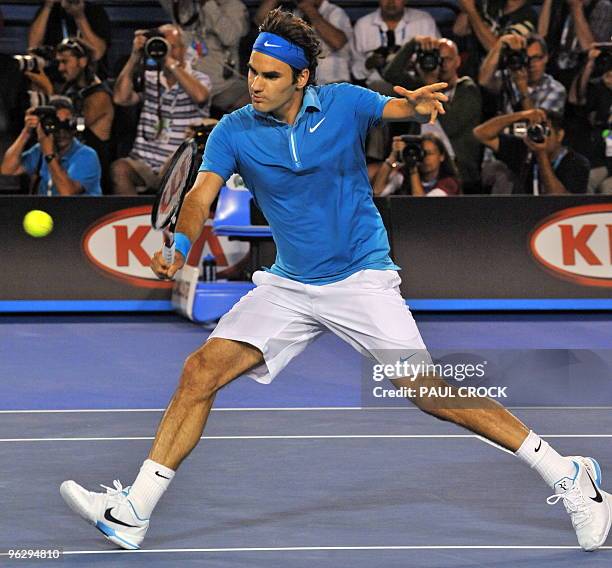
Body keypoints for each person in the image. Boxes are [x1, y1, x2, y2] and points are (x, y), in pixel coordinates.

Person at [60, 8, 610, 553]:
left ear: (301, 78)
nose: (255, 83)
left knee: (429, 393)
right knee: (199, 372)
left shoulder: (345, 103)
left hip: (360, 279)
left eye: (269, 75)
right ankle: (134, 510)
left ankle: (568, 475)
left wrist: (415, 108)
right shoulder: (233, 129)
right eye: (251, 70)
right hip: (289, 285)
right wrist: (179, 247)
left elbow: (397, 108)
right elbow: (201, 195)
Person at [111, 25, 211, 195]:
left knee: (186, 167)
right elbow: (120, 98)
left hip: (179, 163)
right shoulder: (149, 77)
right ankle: (133, 218)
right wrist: (135, 57)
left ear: (184, 49)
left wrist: (170, 64)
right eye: (164, 46)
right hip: (144, 163)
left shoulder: (199, 79)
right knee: (119, 169)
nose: (168, 52)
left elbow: (201, 96)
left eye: (173, 47)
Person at [383, 36, 482, 191]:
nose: (441, 65)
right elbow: (390, 74)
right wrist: (413, 44)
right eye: (436, 58)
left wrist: (431, 83)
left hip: (456, 167)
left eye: (446, 59)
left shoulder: (468, 90)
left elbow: (452, 125)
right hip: (418, 160)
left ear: (458, 61)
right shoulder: (421, 87)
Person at [25, 37, 114, 193]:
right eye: (59, 62)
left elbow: (70, 124)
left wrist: (48, 89)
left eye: (65, 62)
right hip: (61, 165)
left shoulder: (100, 96)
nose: (60, 68)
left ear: (83, 62)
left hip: (84, 175)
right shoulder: (70, 90)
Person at [158, 0, 250, 112]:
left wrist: (208, 4)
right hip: (188, 83)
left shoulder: (234, 6)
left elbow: (230, 37)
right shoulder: (183, 6)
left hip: (222, 87)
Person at [473, 108, 590, 194]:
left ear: (560, 135)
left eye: (545, 131)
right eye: (536, 129)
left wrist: (541, 154)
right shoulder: (524, 148)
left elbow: (559, 199)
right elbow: (480, 134)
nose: (540, 135)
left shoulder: (577, 162)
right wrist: (521, 115)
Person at [0, 96, 101, 195]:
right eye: (55, 126)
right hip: (48, 210)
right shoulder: (40, 150)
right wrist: (26, 132)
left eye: (67, 125)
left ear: (74, 125)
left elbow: (67, 193)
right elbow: (7, 169)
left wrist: (49, 154)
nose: (62, 132)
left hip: (79, 211)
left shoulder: (87, 155)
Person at [351, 0, 439, 95]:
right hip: (376, 89)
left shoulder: (424, 21)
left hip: (415, 86)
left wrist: (415, 63)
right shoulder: (363, 25)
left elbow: (439, 59)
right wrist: (368, 64)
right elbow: (355, 71)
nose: (391, 2)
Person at [255, 0, 353, 85]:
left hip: (334, 81)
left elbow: (337, 42)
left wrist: (310, 9)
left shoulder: (335, 12)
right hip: (302, 82)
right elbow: (261, 21)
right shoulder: (295, 14)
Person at [479, 33, 566, 113]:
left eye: (536, 58)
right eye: (527, 59)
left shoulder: (556, 90)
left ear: (546, 58)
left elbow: (537, 124)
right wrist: (500, 44)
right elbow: (484, 81)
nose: (531, 64)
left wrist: (522, 88)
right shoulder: (511, 77)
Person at [568, 45, 612, 193]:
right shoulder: (598, 89)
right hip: (598, 159)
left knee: (607, 188)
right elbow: (576, 98)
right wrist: (590, 62)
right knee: (583, 181)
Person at [538, 0, 612, 88]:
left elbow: (591, 49)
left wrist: (576, 8)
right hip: (553, 70)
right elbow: (541, 35)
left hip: (582, 76)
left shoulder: (603, 7)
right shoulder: (560, 4)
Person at [28, 0, 111, 75]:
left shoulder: (95, 11)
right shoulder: (50, 12)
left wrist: (79, 17)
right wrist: (48, 6)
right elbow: (33, 47)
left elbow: (97, 53)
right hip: (55, 78)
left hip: (87, 79)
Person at [372, 133, 461, 196]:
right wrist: (392, 157)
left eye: (429, 153)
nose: (425, 158)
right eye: (421, 153)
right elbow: (377, 193)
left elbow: (420, 208)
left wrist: (413, 169)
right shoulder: (404, 175)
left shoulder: (449, 183)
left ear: (441, 156)